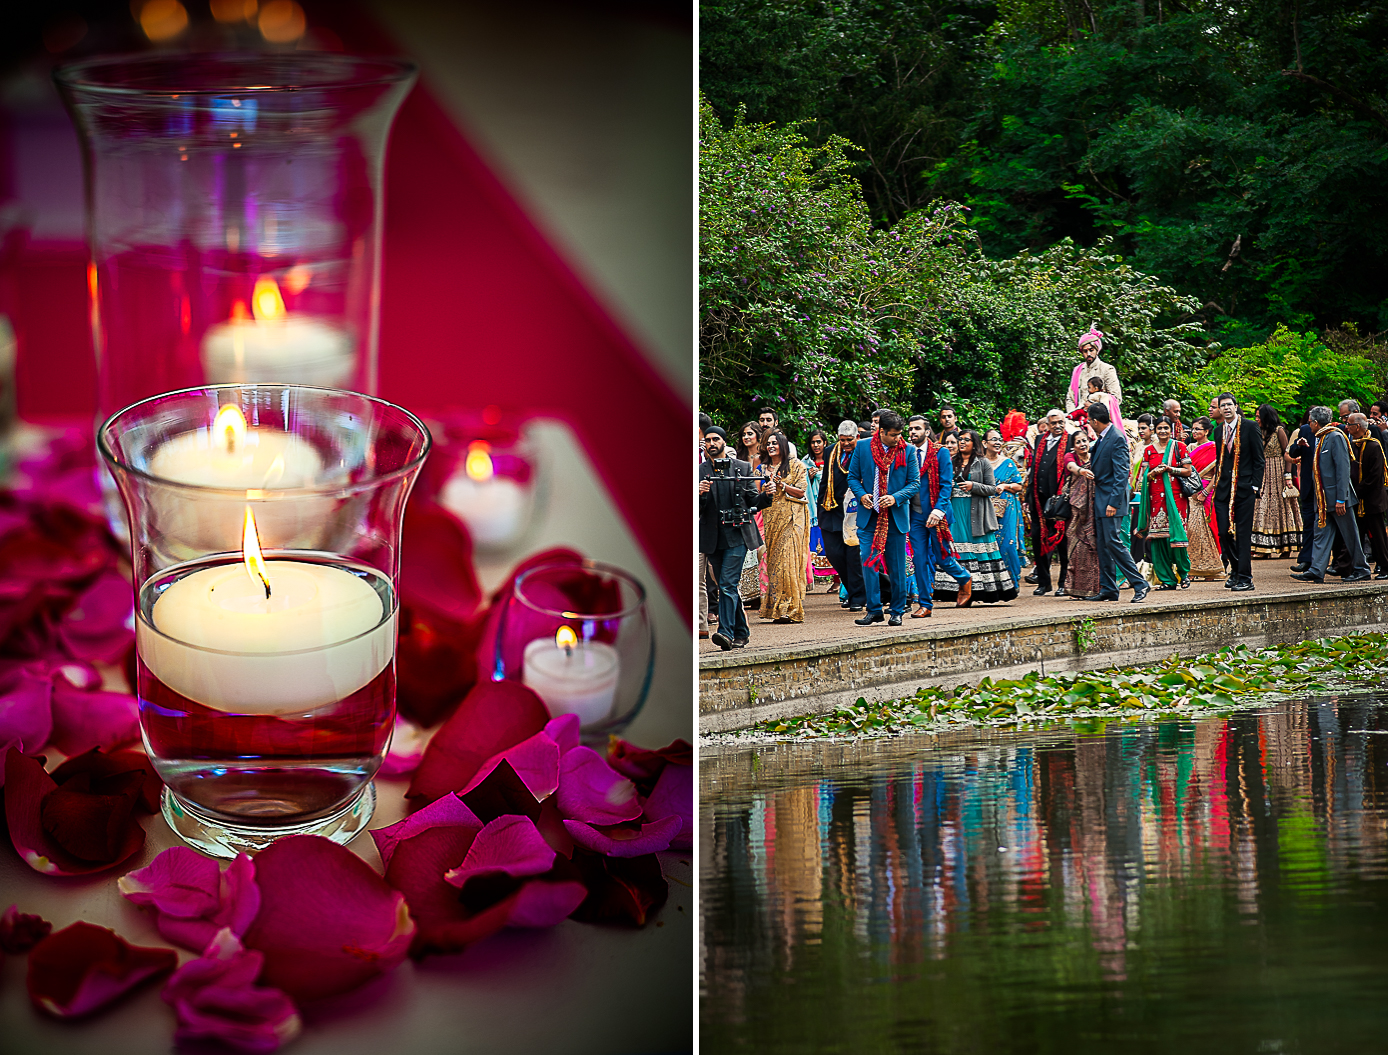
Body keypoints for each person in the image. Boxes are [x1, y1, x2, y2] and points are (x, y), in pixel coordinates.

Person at [698, 426, 772, 650]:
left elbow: (753, 502)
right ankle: (742, 631)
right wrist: (699, 494)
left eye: (716, 439)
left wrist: (766, 495)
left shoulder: (742, 467)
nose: (711, 443)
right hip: (713, 537)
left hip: (738, 535)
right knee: (726, 585)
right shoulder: (699, 471)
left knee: (728, 584)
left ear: (724, 442)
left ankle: (726, 633)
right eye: (708, 440)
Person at [847, 410, 920, 625]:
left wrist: (895, 497)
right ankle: (874, 610)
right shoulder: (862, 447)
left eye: (900, 434)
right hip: (870, 516)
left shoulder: (907, 451)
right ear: (881, 432)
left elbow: (915, 483)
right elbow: (852, 477)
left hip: (895, 517)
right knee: (868, 564)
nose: (898, 438)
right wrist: (862, 496)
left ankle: (897, 610)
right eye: (894, 435)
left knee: (897, 567)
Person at [933, 430, 1017, 606]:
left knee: (979, 551)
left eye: (966, 440)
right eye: (960, 439)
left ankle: (982, 591)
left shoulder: (982, 462)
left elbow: (992, 489)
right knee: (957, 549)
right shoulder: (951, 461)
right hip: (955, 511)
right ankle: (959, 589)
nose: (962, 442)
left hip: (976, 513)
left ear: (975, 443)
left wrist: (973, 486)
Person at [1292, 406, 1371, 583]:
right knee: (1321, 534)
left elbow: (1343, 469)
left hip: (1338, 499)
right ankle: (1316, 569)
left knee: (1350, 535)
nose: (1309, 425)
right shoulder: (1321, 438)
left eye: (1310, 422)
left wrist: (1341, 498)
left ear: (1315, 422)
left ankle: (1362, 568)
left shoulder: (1335, 437)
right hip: (1322, 500)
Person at [907, 415, 972, 617]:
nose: (912, 432)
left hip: (938, 514)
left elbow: (946, 485)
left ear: (927, 432)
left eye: (917, 428)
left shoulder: (940, 452)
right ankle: (925, 604)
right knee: (919, 558)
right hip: (915, 514)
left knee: (942, 558)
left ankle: (964, 579)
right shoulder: (905, 452)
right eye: (910, 429)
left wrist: (938, 510)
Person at [1086, 402, 1149, 602]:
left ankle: (1140, 584)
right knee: (1103, 544)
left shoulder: (1117, 438)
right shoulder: (1103, 437)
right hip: (1101, 499)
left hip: (1112, 500)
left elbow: (1122, 474)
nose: (1088, 423)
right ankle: (1109, 588)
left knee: (1114, 542)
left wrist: (1113, 503)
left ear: (1095, 421)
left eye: (1089, 420)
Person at [1212, 393, 1265, 592]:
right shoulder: (1218, 431)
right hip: (1223, 488)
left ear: (1236, 406)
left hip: (1244, 488)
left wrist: (1254, 486)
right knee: (1224, 532)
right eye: (1222, 405)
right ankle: (1235, 569)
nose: (1225, 408)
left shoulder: (1250, 427)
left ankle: (1245, 577)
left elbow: (1259, 460)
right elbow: (1220, 462)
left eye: (1229, 405)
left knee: (1243, 533)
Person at [1136, 418, 1196, 589]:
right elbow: (1144, 478)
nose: (1162, 431)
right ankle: (1167, 579)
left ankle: (1184, 574)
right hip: (1155, 501)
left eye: (1165, 428)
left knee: (1177, 539)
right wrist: (1153, 472)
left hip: (1176, 499)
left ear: (1171, 430)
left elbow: (1188, 471)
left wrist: (1170, 469)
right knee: (1158, 541)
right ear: (1155, 430)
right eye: (1159, 428)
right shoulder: (1148, 451)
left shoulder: (1179, 447)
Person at [757, 431, 811, 623]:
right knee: (774, 562)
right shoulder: (761, 469)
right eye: (768, 443)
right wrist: (765, 488)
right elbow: (755, 494)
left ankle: (791, 608)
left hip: (792, 519)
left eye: (775, 443)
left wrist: (782, 485)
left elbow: (801, 491)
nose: (771, 446)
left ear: (783, 445)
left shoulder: (796, 466)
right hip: (771, 519)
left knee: (787, 562)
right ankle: (775, 609)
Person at [817, 420, 867, 611]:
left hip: (856, 510)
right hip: (833, 508)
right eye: (842, 440)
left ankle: (857, 597)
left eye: (850, 440)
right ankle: (870, 589)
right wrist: (821, 507)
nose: (846, 444)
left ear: (857, 437)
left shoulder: (864, 451)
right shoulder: (831, 451)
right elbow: (824, 481)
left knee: (853, 556)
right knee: (835, 554)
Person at [1025, 409, 1071, 596]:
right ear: (1048, 424)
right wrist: (1029, 497)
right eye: (1053, 423)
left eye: (1060, 422)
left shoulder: (1070, 440)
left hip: (1060, 500)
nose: (1057, 426)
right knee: (1038, 538)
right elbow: (1034, 468)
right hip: (1039, 499)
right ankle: (1044, 583)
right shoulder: (1040, 440)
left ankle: (1063, 583)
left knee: (1062, 541)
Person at [1250, 405, 1301, 558]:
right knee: (1261, 505)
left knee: (1281, 507)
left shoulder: (1279, 430)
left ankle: (1286, 546)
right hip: (1262, 471)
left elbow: (1287, 453)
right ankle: (1263, 547)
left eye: (1259, 416)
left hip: (1278, 472)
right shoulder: (1258, 431)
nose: (1257, 419)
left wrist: (1288, 475)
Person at [984, 428, 1027, 589]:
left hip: (1007, 509)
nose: (997, 442)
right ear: (984, 443)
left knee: (1008, 543)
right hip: (985, 510)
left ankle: (1012, 582)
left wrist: (1005, 485)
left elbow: (1019, 486)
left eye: (999, 439)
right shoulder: (980, 463)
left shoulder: (1008, 463)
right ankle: (992, 584)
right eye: (993, 439)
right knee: (990, 544)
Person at [1184, 417, 1226, 580]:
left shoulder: (1214, 448)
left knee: (1208, 530)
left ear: (1207, 431)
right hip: (1190, 493)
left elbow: (1218, 474)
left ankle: (1212, 568)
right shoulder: (1188, 448)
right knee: (1191, 531)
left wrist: (1206, 492)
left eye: (1198, 429)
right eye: (1193, 429)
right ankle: (1192, 568)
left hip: (1206, 493)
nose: (1194, 432)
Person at [1347, 413, 1388, 577]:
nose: (1347, 427)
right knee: (1357, 536)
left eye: (1349, 424)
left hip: (1372, 499)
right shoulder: (1353, 445)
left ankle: (1385, 566)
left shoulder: (1373, 445)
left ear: (1358, 427)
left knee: (1377, 536)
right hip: (1358, 500)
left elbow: (1375, 475)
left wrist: (1356, 491)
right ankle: (1359, 569)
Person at [1063, 432, 1101, 599]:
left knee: (1095, 549)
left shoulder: (1096, 456)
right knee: (1076, 548)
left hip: (1094, 510)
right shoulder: (1070, 457)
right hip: (1077, 512)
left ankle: (1095, 589)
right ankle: (1074, 589)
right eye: (1078, 442)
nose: (1082, 444)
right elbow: (1071, 467)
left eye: (1084, 440)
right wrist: (1082, 471)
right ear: (1073, 445)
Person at [735, 422, 768, 606]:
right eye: (743, 434)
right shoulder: (737, 457)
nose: (746, 437)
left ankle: (760, 592)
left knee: (759, 549)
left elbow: (755, 489)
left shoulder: (762, 458)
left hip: (757, 507)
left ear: (758, 435)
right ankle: (747, 594)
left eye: (750, 433)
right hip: (740, 506)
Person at [802, 429, 837, 591]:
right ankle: (809, 580)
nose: (816, 445)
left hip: (830, 507)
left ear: (825, 443)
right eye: (813, 442)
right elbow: (800, 485)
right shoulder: (805, 463)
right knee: (812, 545)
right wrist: (808, 477)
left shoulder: (833, 461)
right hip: (812, 510)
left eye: (819, 442)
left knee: (834, 544)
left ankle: (838, 581)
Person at [1288, 413, 1319, 572]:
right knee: (1308, 522)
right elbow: (1292, 453)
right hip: (1308, 484)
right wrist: (1298, 445)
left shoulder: (1335, 431)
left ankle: (1334, 562)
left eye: (1312, 421)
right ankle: (1306, 560)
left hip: (1325, 487)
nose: (1310, 424)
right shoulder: (1305, 430)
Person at [1065, 327, 1123, 413]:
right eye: (1085, 351)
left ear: (1097, 350)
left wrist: (1094, 407)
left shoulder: (1107, 369)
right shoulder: (1078, 370)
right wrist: (1073, 414)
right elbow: (1070, 398)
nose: (1088, 354)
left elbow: (1116, 399)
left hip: (1100, 419)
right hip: (1078, 416)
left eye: (1091, 350)